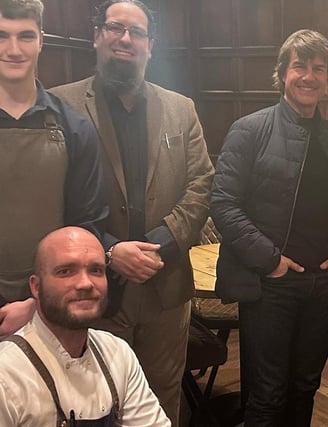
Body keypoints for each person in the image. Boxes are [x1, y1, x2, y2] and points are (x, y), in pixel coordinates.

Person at [49, 1, 215, 423]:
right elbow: (55, 197)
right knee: (95, 402)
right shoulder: (60, 107)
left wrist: (157, 245)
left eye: (136, 32)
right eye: (115, 27)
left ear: (150, 45)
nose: (125, 38)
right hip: (94, 288)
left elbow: (202, 185)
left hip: (166, 286)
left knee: (161, 397)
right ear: (97, 35)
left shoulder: (182, 109)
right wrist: (109, 250)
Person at [210, 29, 328, 426]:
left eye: (318, 68)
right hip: (271, 284)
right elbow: (223, 203)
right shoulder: (249, 129)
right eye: (299, 66)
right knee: (267, 394)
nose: (309, 76)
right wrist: (270, 260)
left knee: (307, 385)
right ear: (282, 73)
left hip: (322, 284)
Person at [0, 0, 107, 339]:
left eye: (25, 36)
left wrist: (37, 301)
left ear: (41, 40)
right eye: (1, 36)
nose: (13, 49)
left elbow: (86, 223)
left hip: (51, 308)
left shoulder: (75, 128)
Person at [0, 226, 170, 427]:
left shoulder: (118, 353)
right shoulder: (7, 374)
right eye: (66, 271)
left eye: (96, 270)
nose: (85, 283)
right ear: (36, 286)